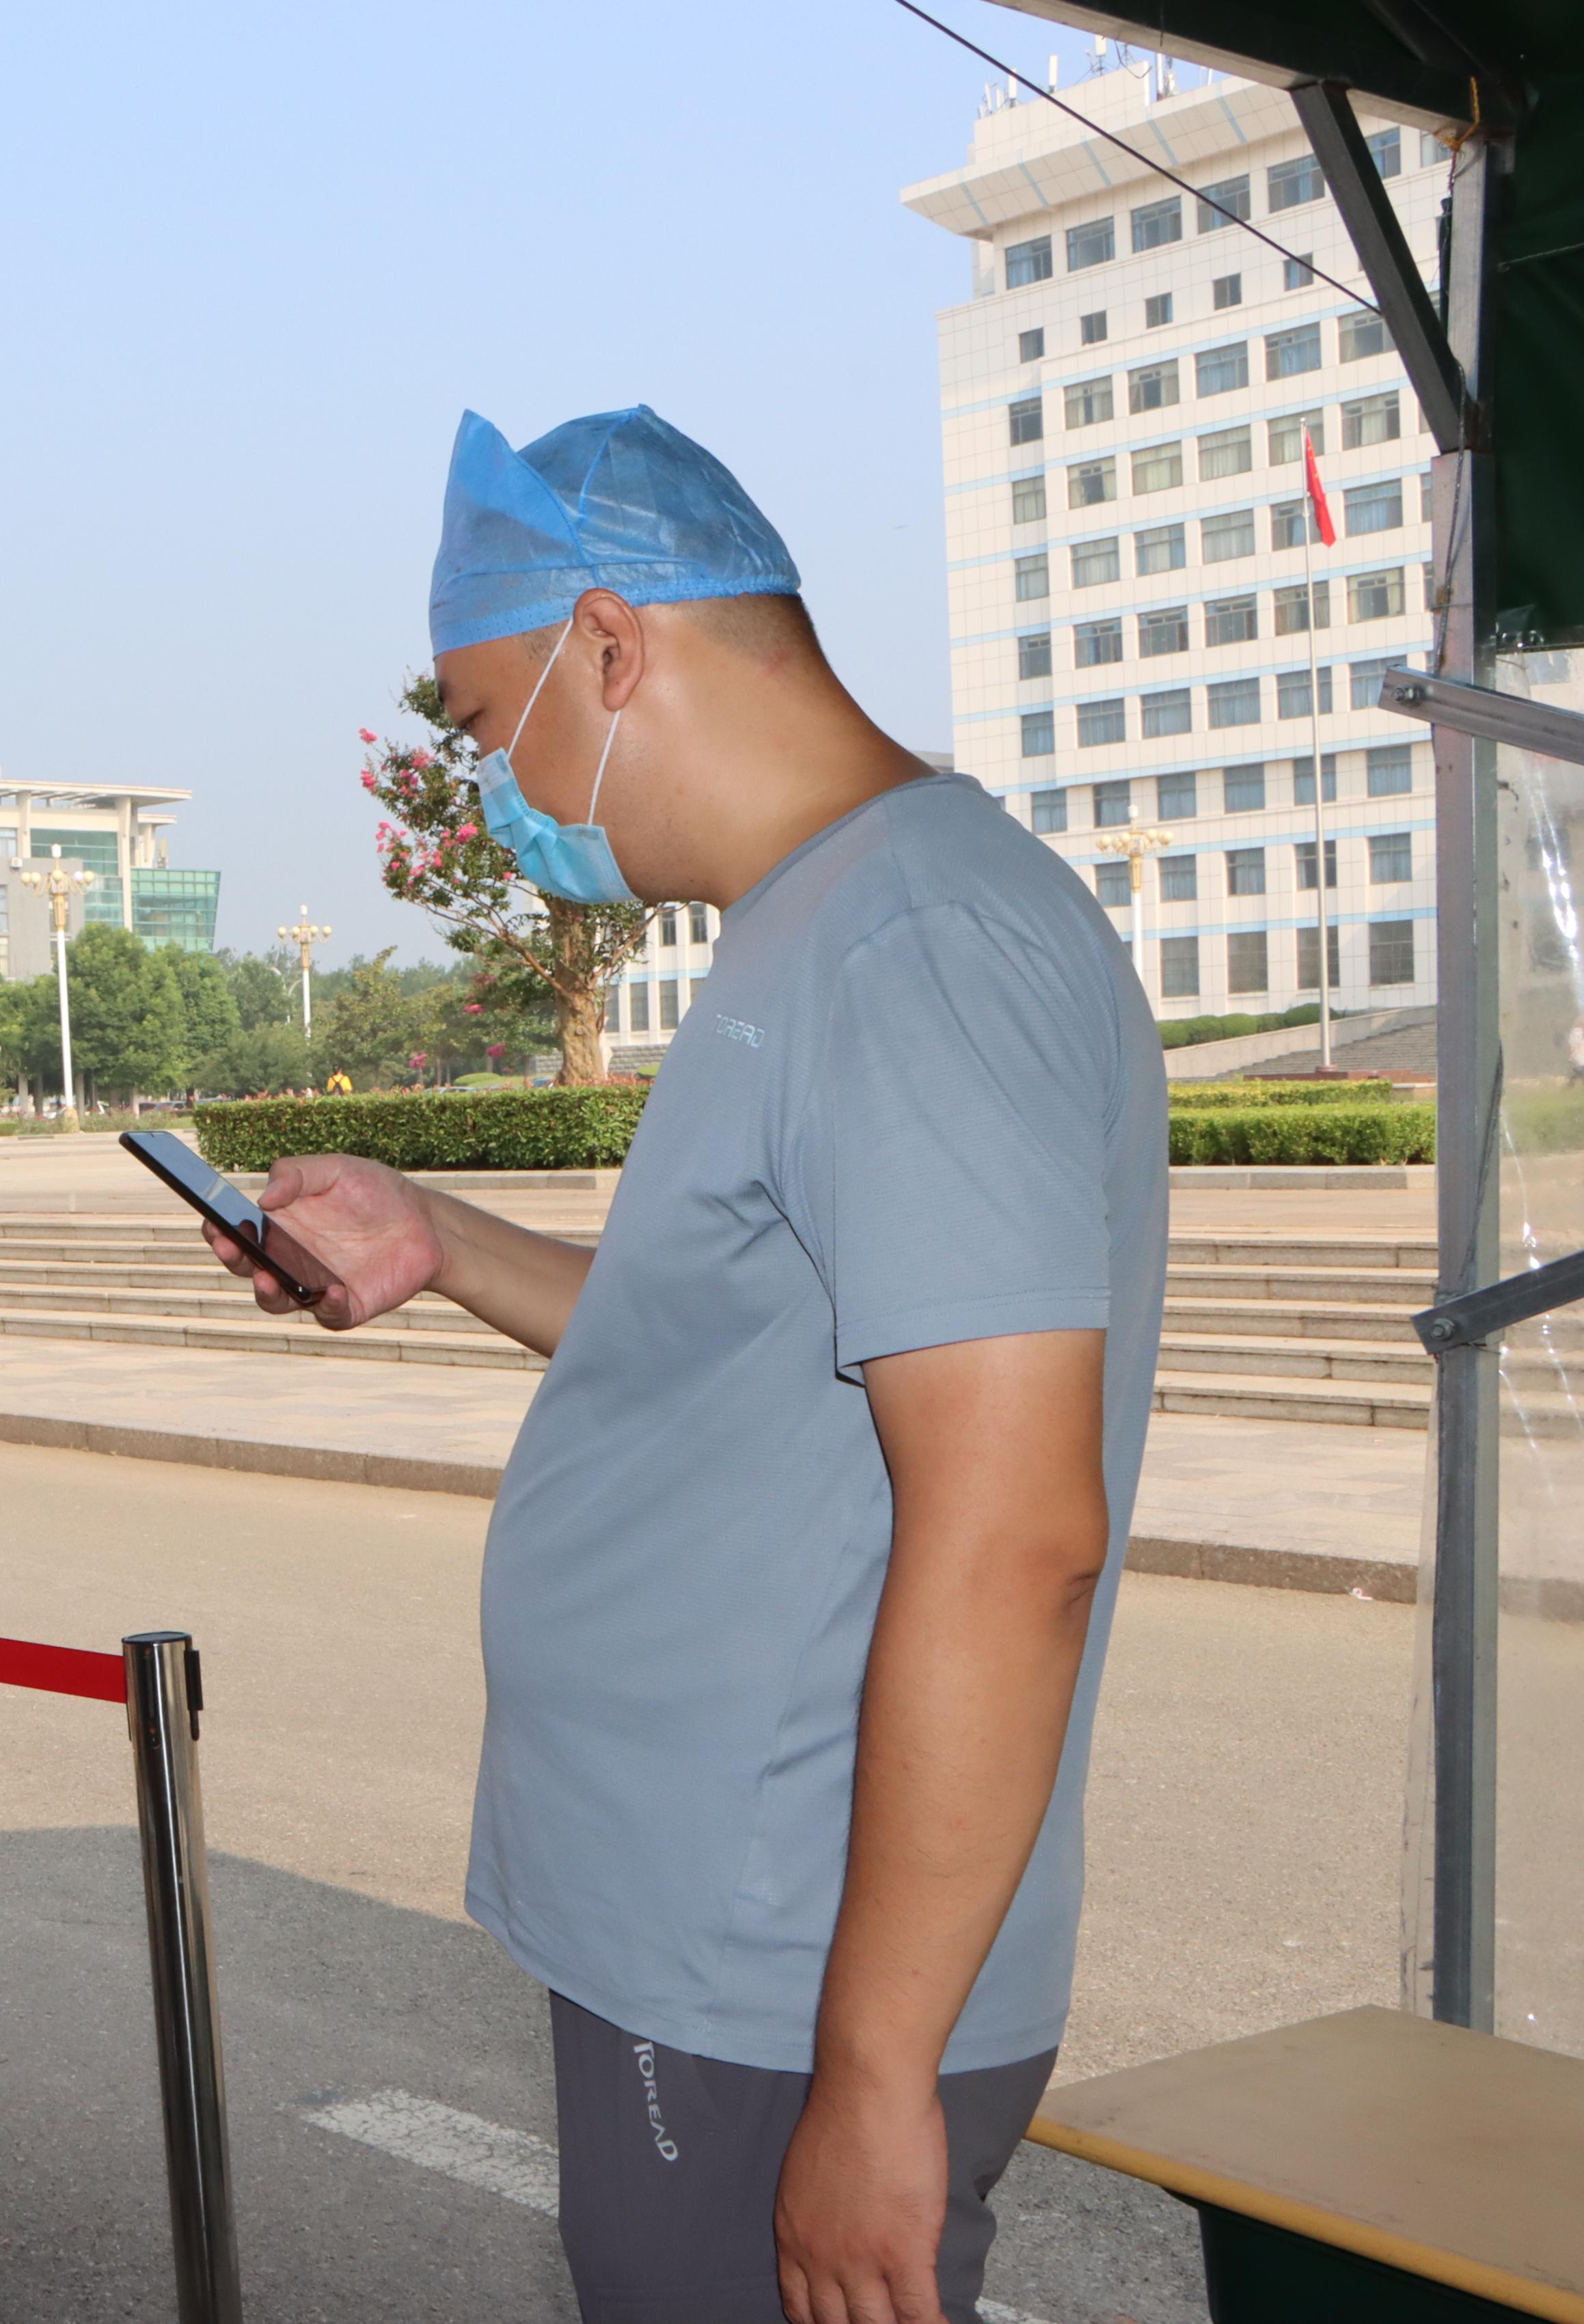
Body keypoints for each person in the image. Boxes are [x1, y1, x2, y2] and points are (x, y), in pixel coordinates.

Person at [207, 409, 1163, 2324]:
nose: (491, 784)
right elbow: (753, 1338)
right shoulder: (816, 923)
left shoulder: (909, 944)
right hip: (721, 1946)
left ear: (607, 643)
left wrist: (870, 2073)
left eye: (488, 724)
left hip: (780, 1973)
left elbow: (1012, 1538)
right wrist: (437, 1237)